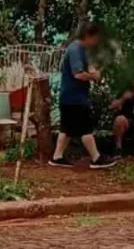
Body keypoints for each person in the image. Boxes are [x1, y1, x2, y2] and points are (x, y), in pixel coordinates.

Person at [49, 23, 118, 169]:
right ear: (88, 36)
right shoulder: (75, 50)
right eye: (96, 38)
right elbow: (78, 74)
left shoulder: (81, 50)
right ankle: (96, 158)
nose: (97, 41)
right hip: (74, 98)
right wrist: (94, 76)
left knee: (67, 129)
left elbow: (88, 67)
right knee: (85, 129)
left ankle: (57, 157)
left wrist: (95, 72)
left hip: (70, 97)